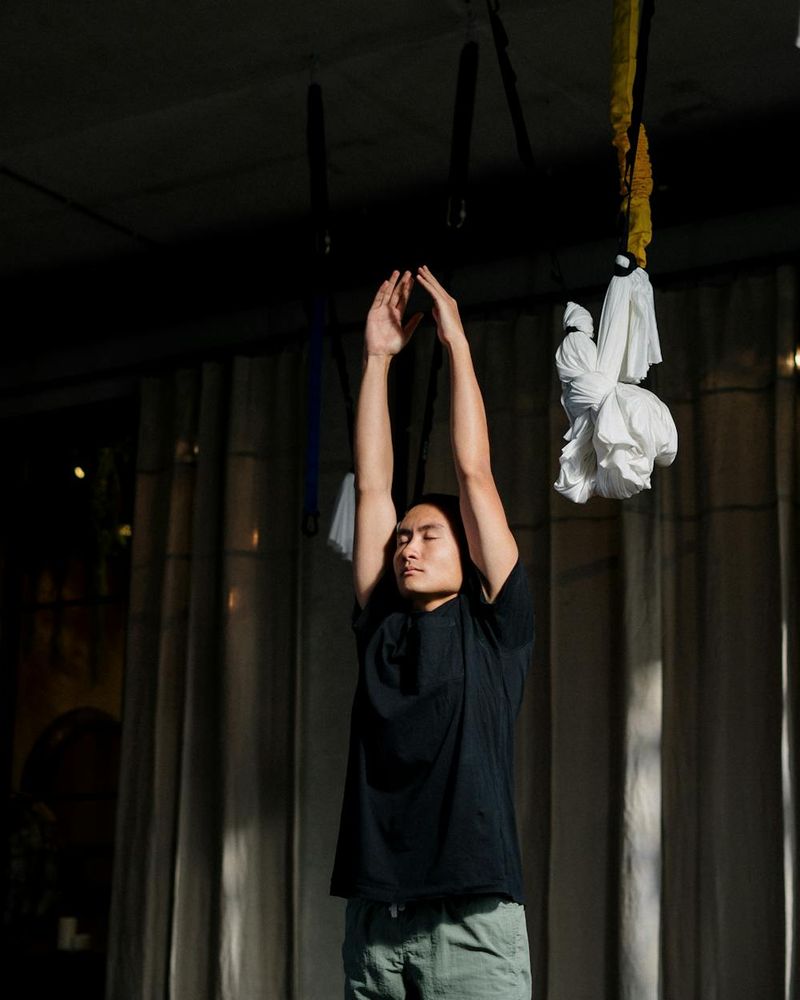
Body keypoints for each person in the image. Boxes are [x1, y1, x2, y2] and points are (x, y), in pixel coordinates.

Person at [331, 267, 534, 1000]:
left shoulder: (495, 633)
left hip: (471, 924)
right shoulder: (383, 626)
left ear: (469, 553)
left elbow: (473, 473)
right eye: (401, 540)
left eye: (429, 536)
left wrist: (454, 343)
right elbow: (374, 484)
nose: (407, 547)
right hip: (376, 925)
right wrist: (378, 360)